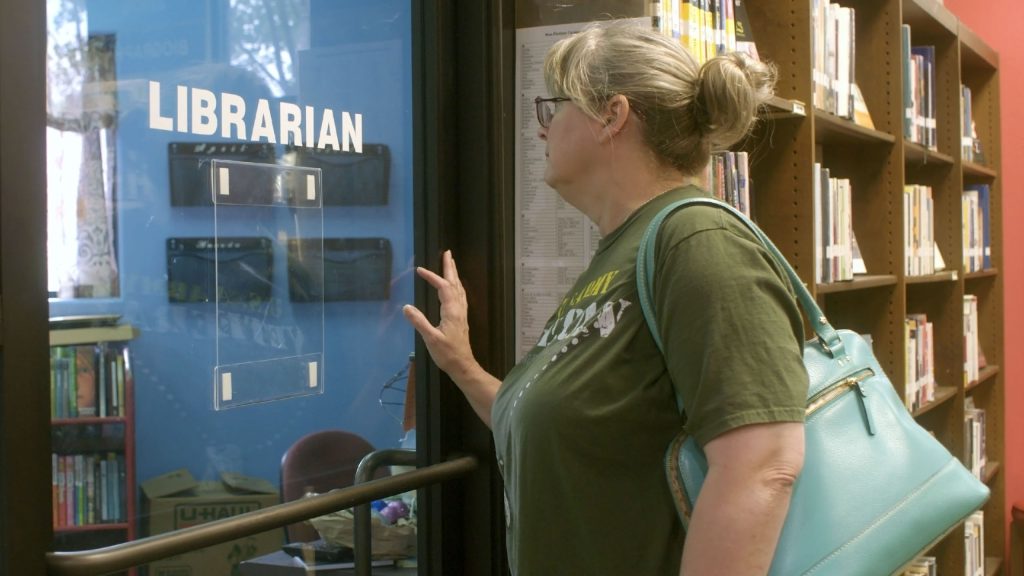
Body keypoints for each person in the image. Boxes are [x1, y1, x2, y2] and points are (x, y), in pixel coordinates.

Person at [403, 22, 809, 576]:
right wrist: (462, 365)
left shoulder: (697, 242)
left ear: (611, 116)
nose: (540, 130)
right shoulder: (619, 254)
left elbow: (763, 467)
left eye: (552, 108)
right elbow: (554, 429)